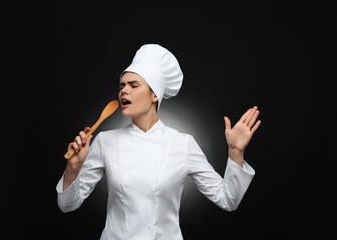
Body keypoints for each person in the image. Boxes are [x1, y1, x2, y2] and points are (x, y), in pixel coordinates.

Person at [56, 44, 261, 240]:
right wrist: (73, 167)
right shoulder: (104, 141)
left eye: (134, 85)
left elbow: (228, 200)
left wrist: (235, 151)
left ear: (154, 94)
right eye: (122, 86)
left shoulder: (183, 144)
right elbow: (67, 205)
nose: (123, 91)